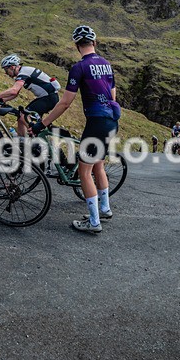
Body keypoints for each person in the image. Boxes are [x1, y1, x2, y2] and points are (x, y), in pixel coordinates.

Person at [32, 25, 120, 234]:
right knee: (98, 165)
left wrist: (42, 123)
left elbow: (65, 103)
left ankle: (94, 222)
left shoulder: (79, 67)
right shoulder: (107, 64)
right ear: (94, 43)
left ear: (76, 46)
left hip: (97, 122)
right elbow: (113, 96)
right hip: (111, 120)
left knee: (84, 171)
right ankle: (105, 209)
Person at [0, 54, 61, 136]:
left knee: (24, 116)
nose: (6, 73)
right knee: (21, 116)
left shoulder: (23, 72)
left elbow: (14, 91)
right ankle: (21, 140)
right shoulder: (24, 71)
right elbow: (15, 94)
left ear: (12, 67)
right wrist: (2, 100)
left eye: (6, 70)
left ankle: (36, 136)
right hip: (46, 98)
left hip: (49, 98)